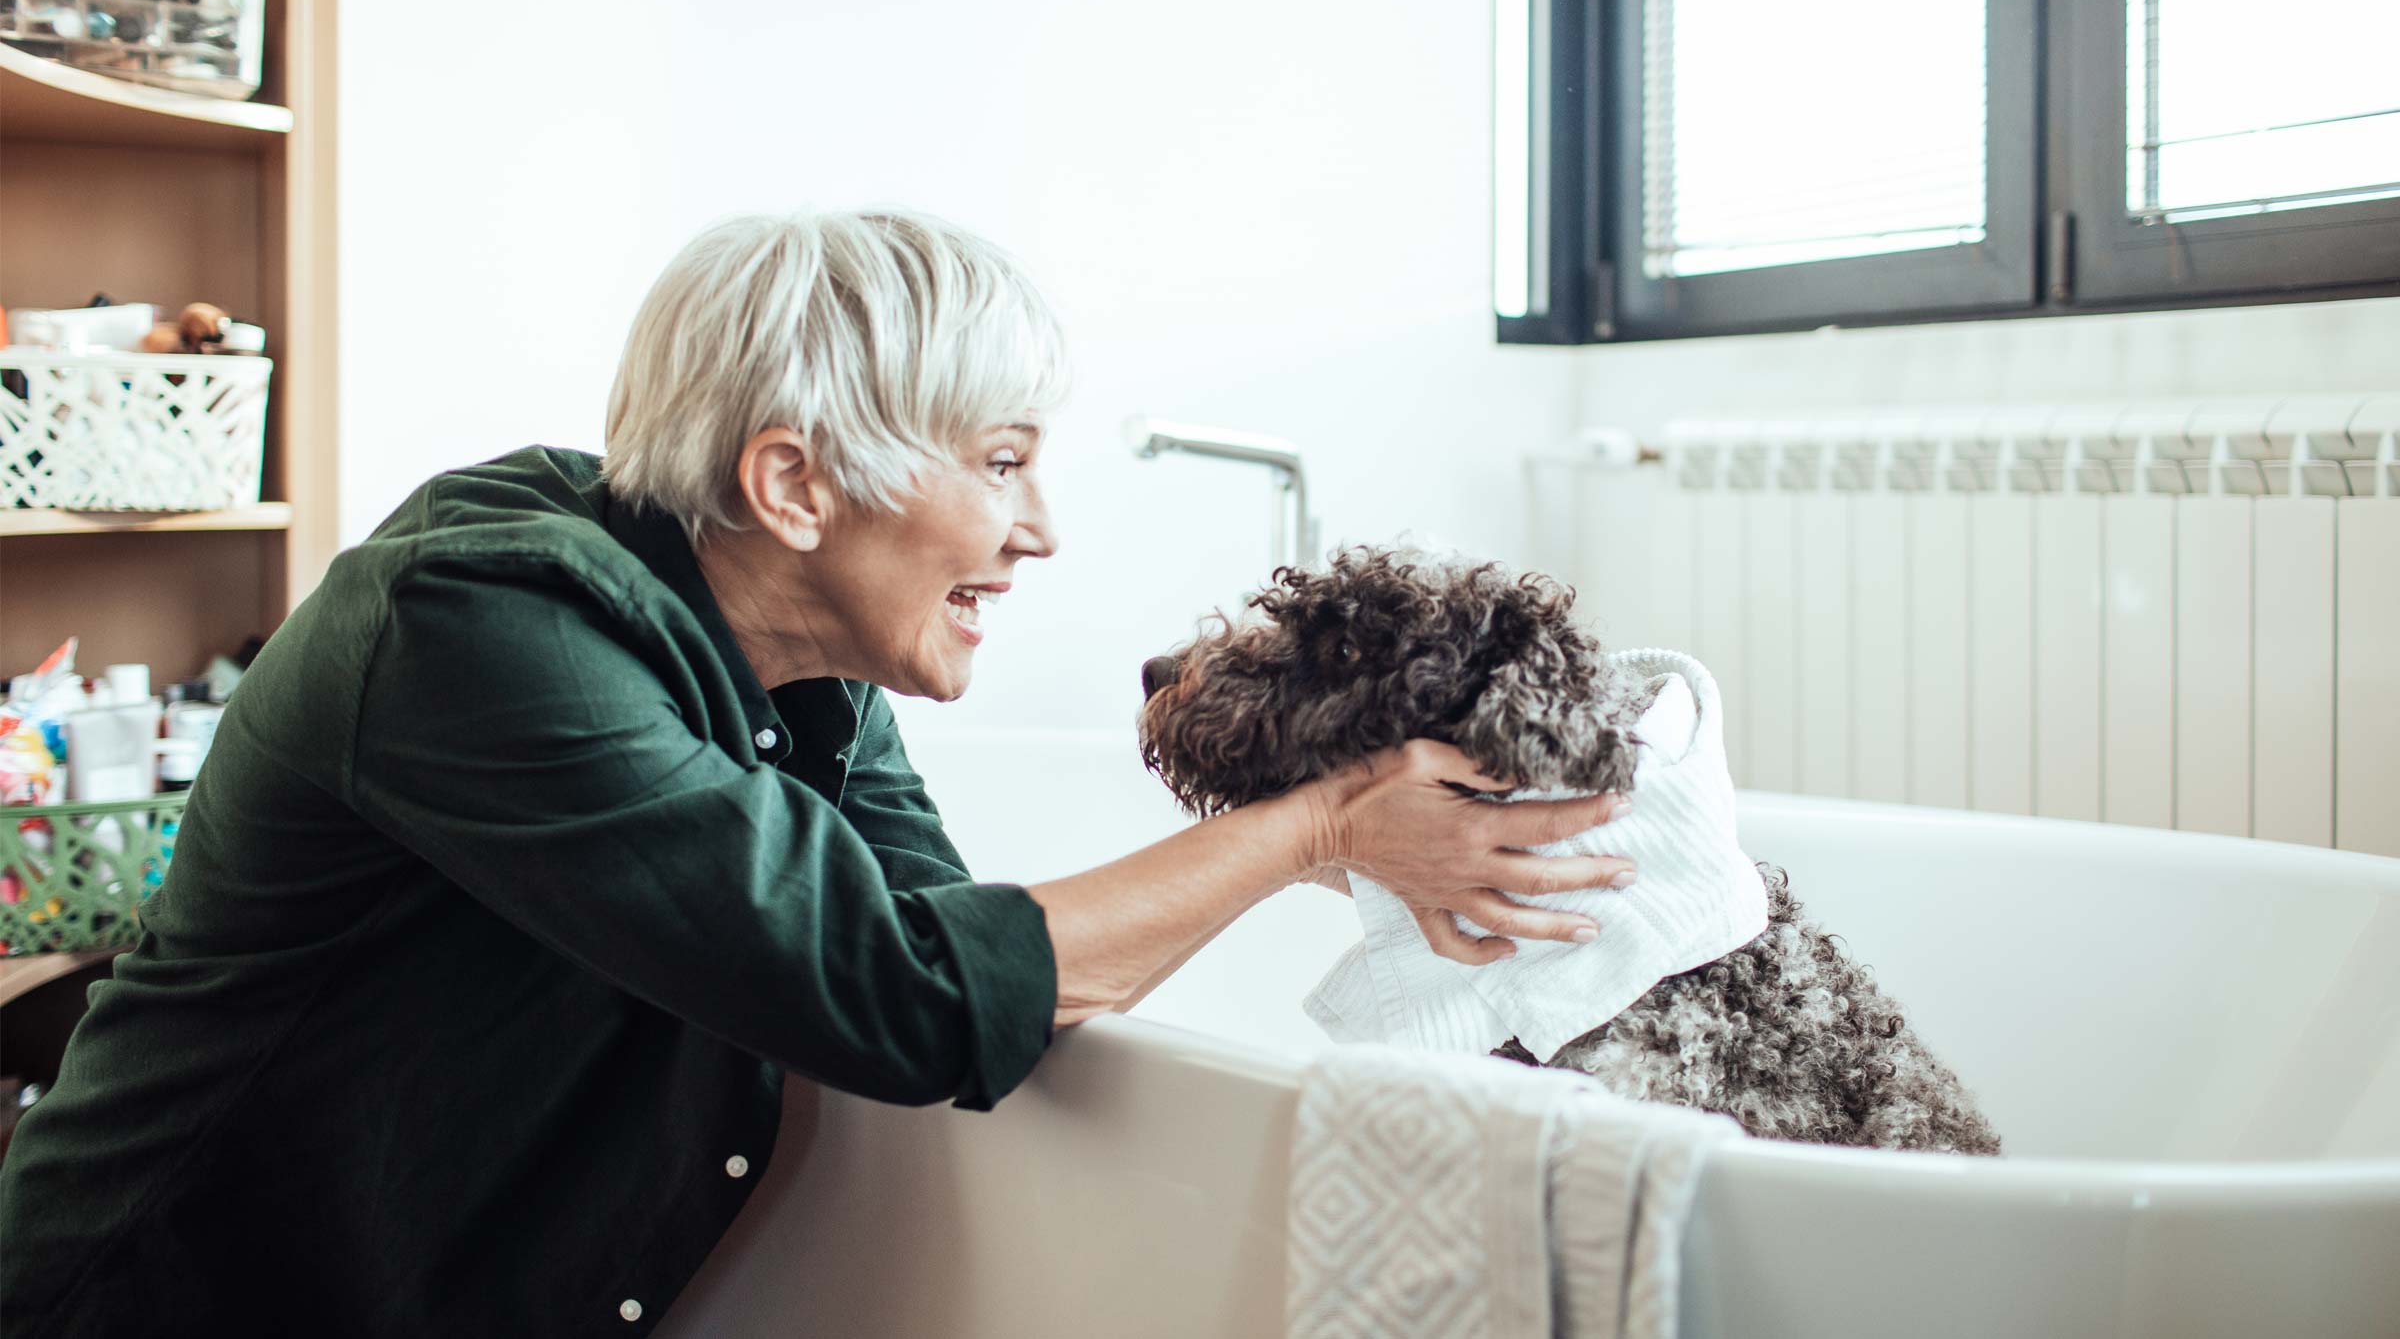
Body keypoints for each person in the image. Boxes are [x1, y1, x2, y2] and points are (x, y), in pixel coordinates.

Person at [0, 211, 1632, 1336]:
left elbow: (976, 954)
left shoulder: (813, 678)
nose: (1041, 527)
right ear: (790, 481)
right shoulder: (483, 630)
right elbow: (913, 995)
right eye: (999, 464)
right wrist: (1323, 825)